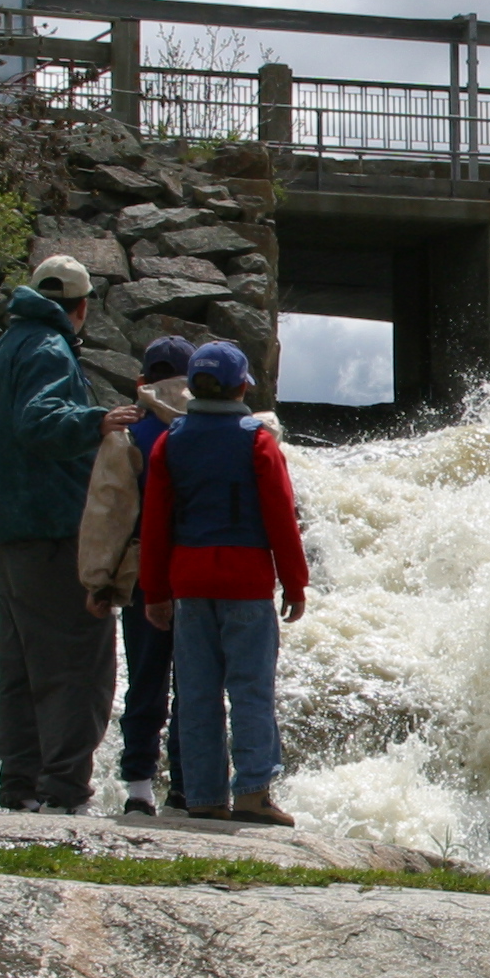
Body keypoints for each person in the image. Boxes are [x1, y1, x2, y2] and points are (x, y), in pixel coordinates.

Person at [0, 253, 136, 814]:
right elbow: (39, 419)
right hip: (51, 529)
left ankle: (20, 789)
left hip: (5, 531)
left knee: (20, 666)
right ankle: (62, 793)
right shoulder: (49, 348)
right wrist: (95, 420)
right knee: (79, 662)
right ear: (80, 309)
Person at [140, 340, 308, 826]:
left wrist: (154, 591)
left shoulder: (171, 440)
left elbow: (156, 524)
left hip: (189, 582)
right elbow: (282, 519)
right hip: (247, 580)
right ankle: (254, 792)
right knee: (251, 689)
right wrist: (294, 585)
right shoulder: (257, 441)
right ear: (241, 386)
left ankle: (204, 796)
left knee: (196, 694)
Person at [78, 336, 196, 816]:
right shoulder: (216, 427)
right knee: (195, 684)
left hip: (144, 573)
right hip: (197, 573)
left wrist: (98, 580)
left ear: (142, 381)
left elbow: (109, 512)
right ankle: (191, 790)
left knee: (145, 681)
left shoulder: (128, 433)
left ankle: (138, 789)